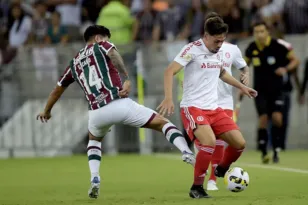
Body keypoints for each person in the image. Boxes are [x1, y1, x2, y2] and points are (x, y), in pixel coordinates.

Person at [36, 25, 195, 199]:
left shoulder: (73, 63)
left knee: (94, 141)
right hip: (118, 103)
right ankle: (186, 151)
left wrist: (47, 111)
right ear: (98, 38)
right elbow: (112, 53)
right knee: (163, 123)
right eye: (106, 38)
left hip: (96, 113)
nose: (108, 42)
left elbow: (58, 89)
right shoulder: (101, 46)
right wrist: (126, 77)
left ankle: (95, 177)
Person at [157, 17, 257, 198]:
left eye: (222, 40)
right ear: (206, 35)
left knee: (240, 144)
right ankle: (197, 187)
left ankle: (222, 168)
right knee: (209, 142)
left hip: (214, 108)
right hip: (193, 107)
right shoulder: (192, 49)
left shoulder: (219, 52)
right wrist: (168, 98)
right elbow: (169, 71)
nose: (220, 44)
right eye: (216, 40)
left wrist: (242, 87)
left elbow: (222, 73)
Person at [189, 12, 250, 191]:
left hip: (224, 100)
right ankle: (204, 174)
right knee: (210, 141)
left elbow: (243, 66)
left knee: (222, 141)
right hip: (203, 101)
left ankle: (214, 178)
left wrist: (246, 74)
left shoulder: (232, 49)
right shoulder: (200, 49)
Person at [244, 21, 299, 163]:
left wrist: (285, 69)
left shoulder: (279, 45)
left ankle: (276, 150)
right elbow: (244, 65)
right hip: (260, 92)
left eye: (262, 31)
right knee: (263, 119)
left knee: (277, 118)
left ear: (268, 31)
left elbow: (295, 60)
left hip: (277, 90)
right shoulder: (252, 47)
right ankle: (263, 152)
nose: (259, 34)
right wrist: (243, 81)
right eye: (256, 32)